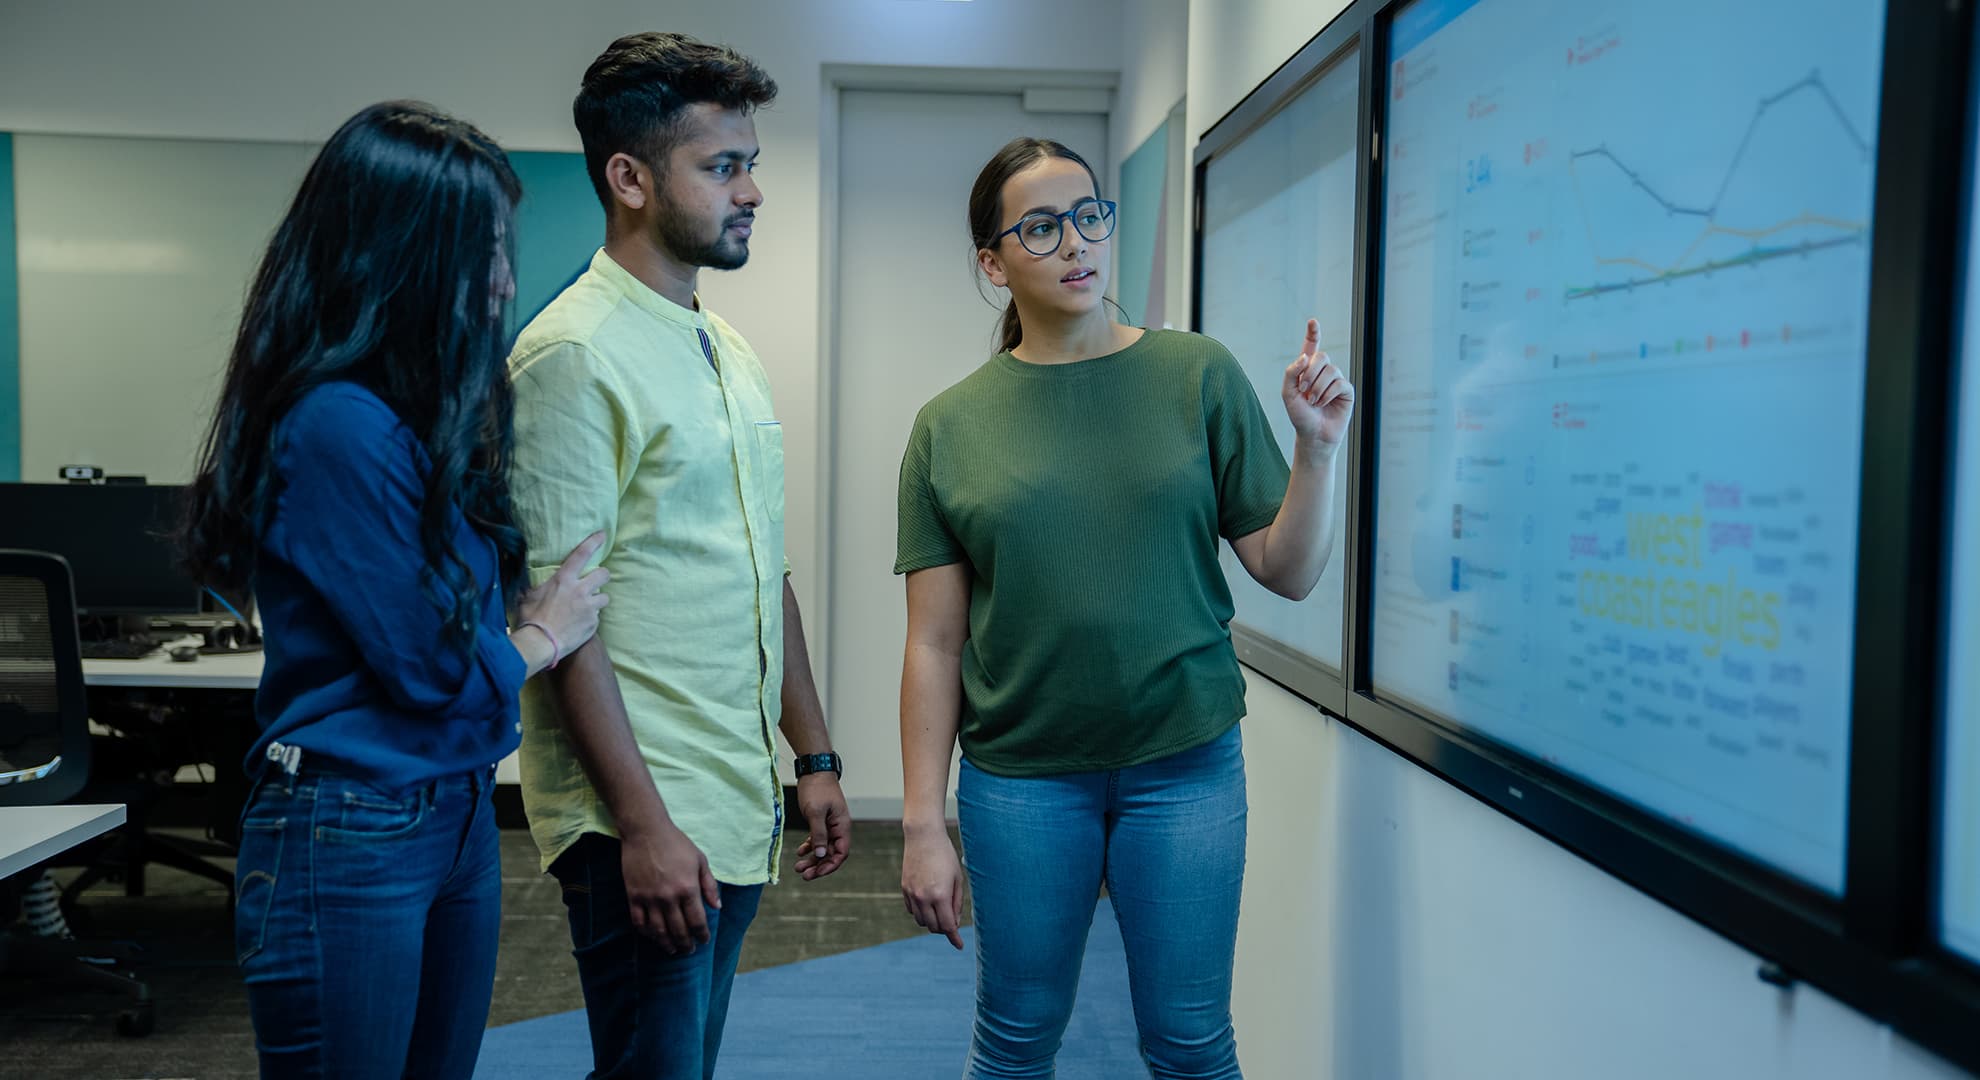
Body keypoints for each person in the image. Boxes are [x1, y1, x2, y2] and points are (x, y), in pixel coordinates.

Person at [895, 137, 1355, 1079]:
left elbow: (1289, 569)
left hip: (1184, 767)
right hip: (1022, 779)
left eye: (1091, 214)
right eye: (1041, 226)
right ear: (993, 262)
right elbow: (934, 646)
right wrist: (920, 824)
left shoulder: (1197, 374)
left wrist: (1315, 452)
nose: (1078, 242)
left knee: (1191, 1043)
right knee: (1017, 1038)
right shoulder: (948, 427)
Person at [179, 101, 611, 1078]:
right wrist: (542, 637)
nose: (504, 277)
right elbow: (430, 668)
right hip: (351, 824)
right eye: (485, 250)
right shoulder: (335, 426)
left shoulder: (417, 415)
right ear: (405, 258)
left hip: (449, 811)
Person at [505, 32, 852, 1080]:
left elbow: (760, 570)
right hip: (640, 818)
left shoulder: (722, 345)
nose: (753, 191)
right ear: (630, 178)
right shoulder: (574, 356)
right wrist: (645, 828)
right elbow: (565, 620)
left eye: (751, 163)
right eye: (723, 166)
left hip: (732, 788)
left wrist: (816, 755)